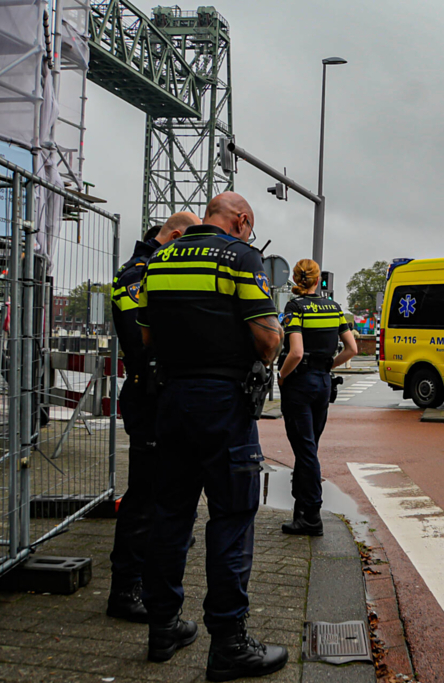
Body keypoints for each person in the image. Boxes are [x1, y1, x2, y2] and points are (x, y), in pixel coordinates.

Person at [137, 192, 288, 680]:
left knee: (170, 514)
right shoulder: (242, 257)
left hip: (171, 398)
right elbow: (266, 338)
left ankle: (162, 627)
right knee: (231, 517)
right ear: (242, 221)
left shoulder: (158, 261)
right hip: (223, 402)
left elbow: (145, 337)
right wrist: (266, 350)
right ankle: (228, 643)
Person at [107, 211, 199, 622]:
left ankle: (142, 580)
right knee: (142, 498)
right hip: (148, 396)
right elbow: (140, 339)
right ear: (174, 237)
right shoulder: (136, 275)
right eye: (186, 247)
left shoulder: (152, 269)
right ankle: (125, 590)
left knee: (160, 494)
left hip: (161, 394)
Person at [279, 259, 357, 537]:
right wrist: (328, 366)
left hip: (300, 383)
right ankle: (302, 509)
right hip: (323, 382)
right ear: (316, 279)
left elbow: (295, 352)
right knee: (310, 446)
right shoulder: (334, 308)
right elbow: (352, 348)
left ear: (297, 281)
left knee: (305, 449)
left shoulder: (295, 307)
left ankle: (311, 514)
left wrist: (283, 376)